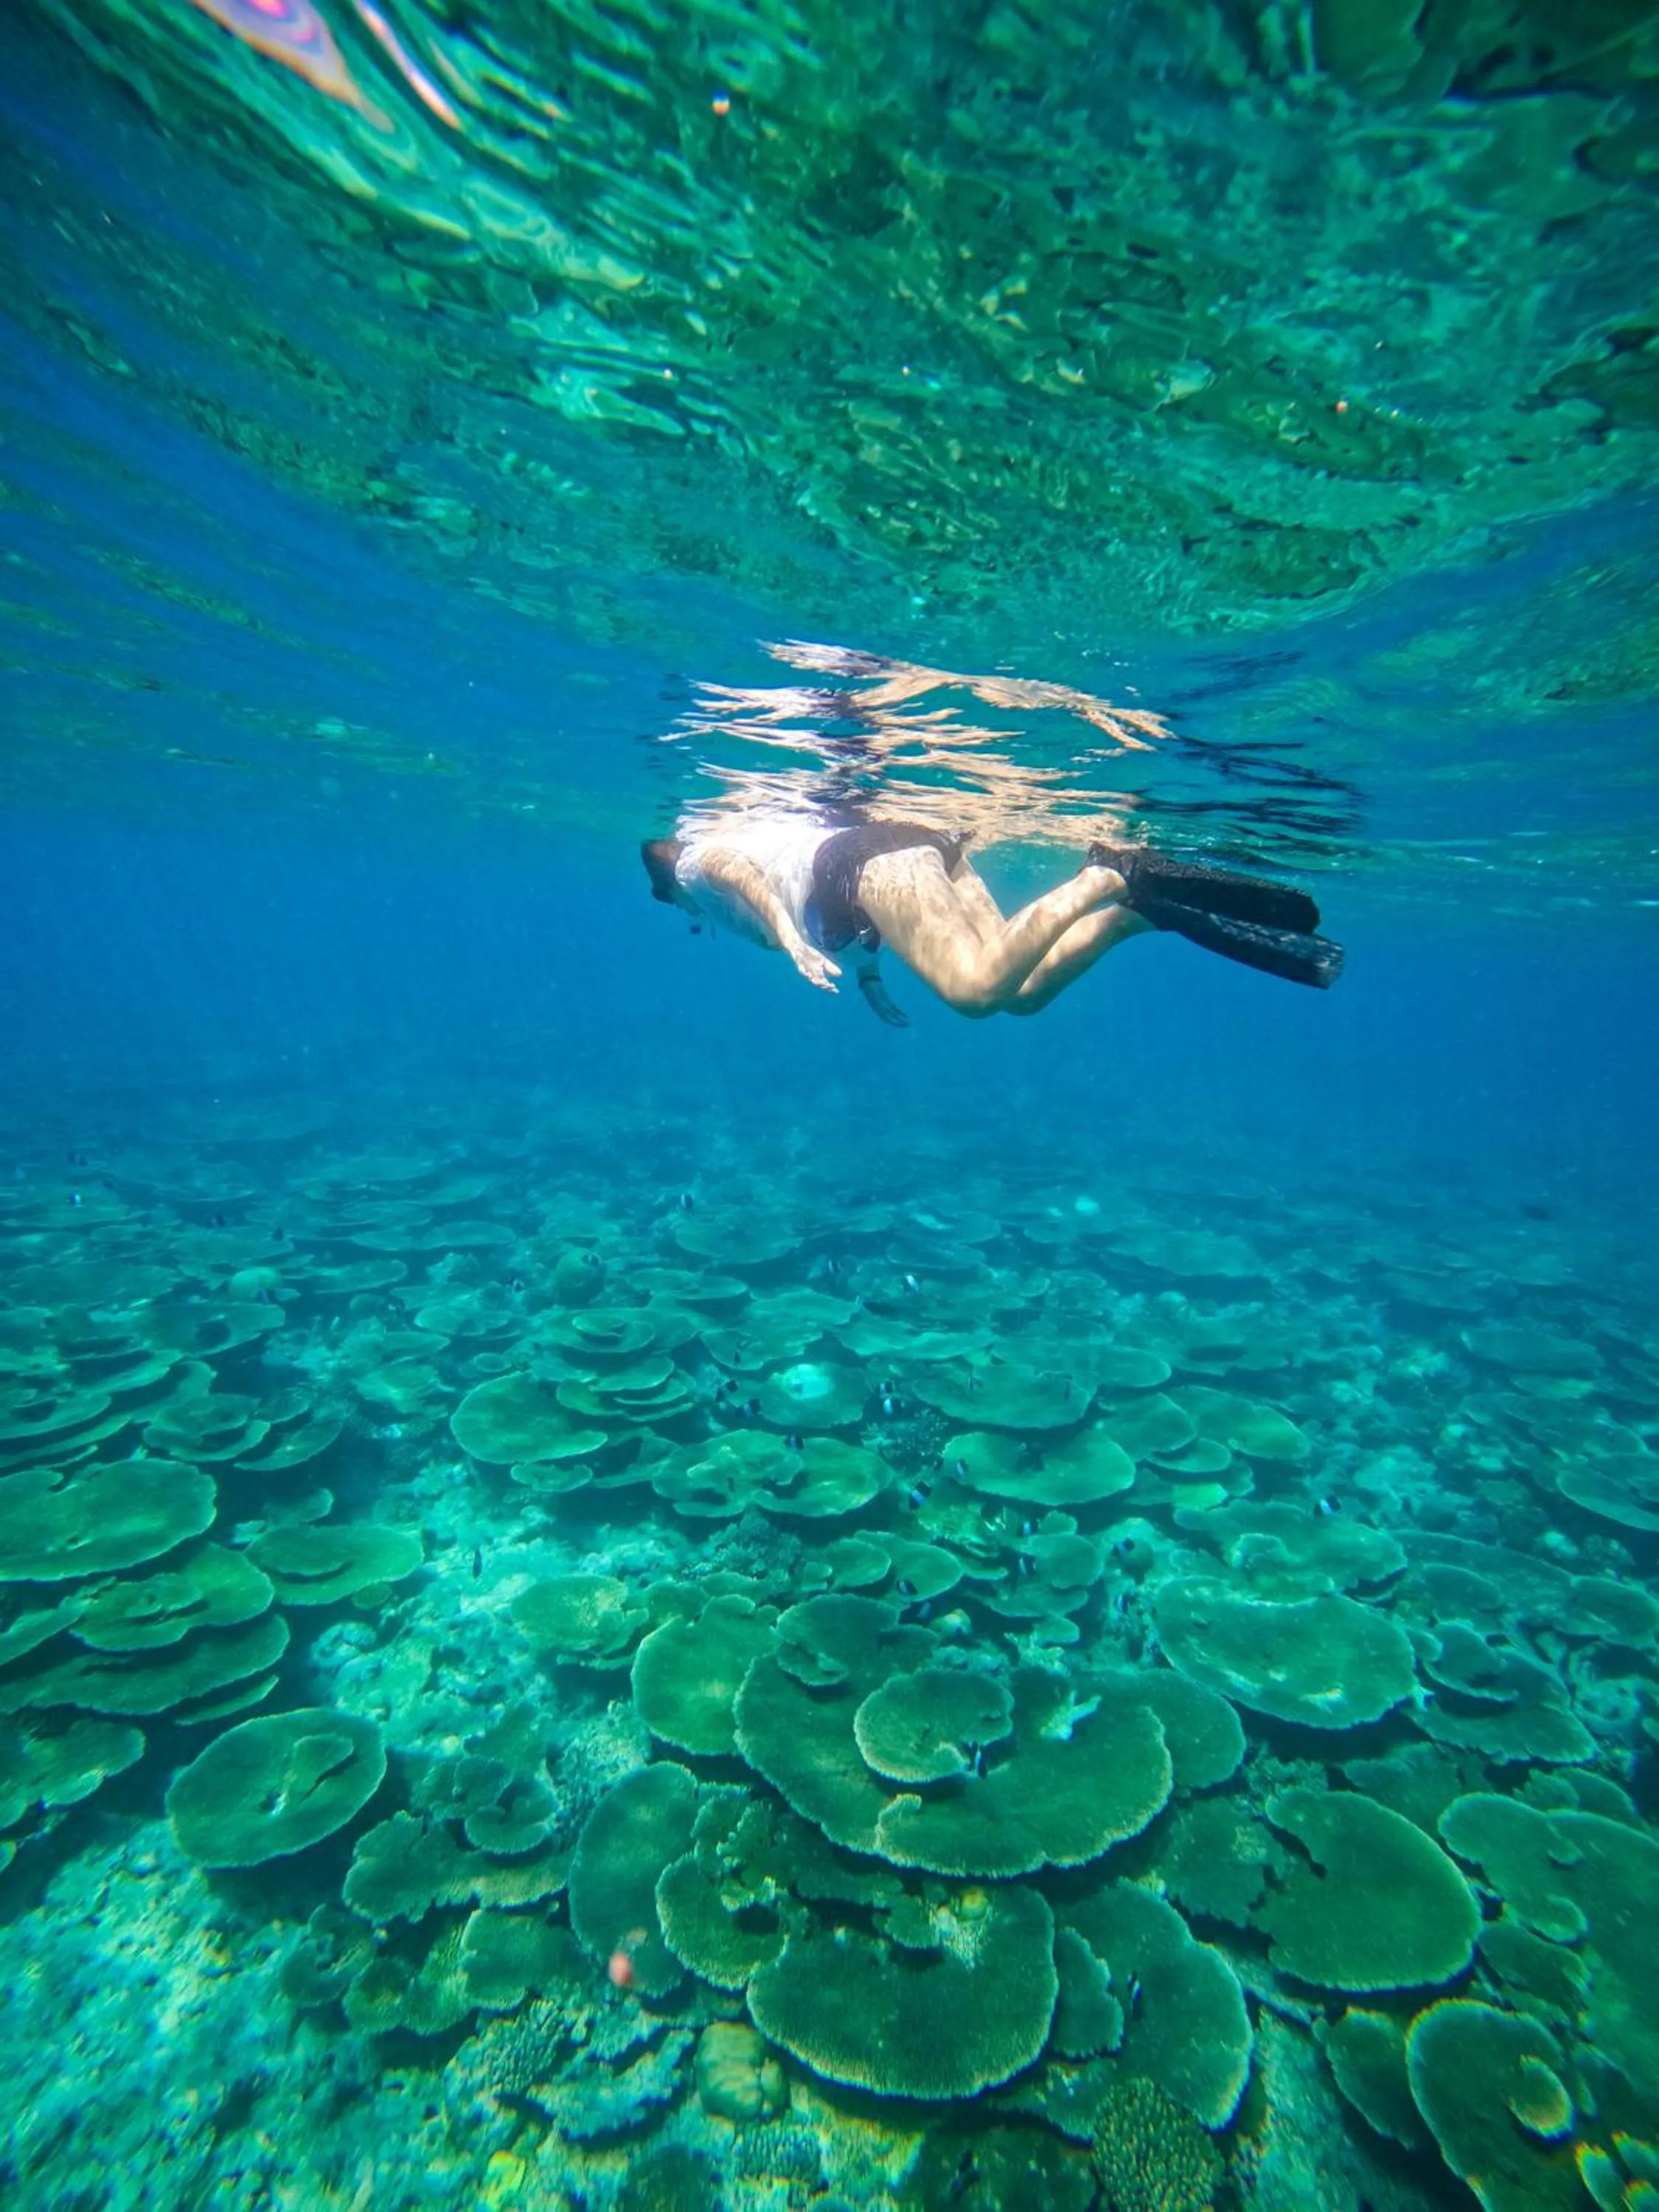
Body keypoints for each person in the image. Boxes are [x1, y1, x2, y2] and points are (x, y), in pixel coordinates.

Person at [641, 810, 1343, 1025]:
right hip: (893, 861)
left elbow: (748, 877)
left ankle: (1109, 872)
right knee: (1021, 992)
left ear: (666, 884)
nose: (680, 914)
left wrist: (791, 939)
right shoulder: (706, 891)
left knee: (975, 993)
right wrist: (871, 983)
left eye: (669, 903)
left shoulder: (696, 865)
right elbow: (845, 928)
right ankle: (1138, 912)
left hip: (864, 866)